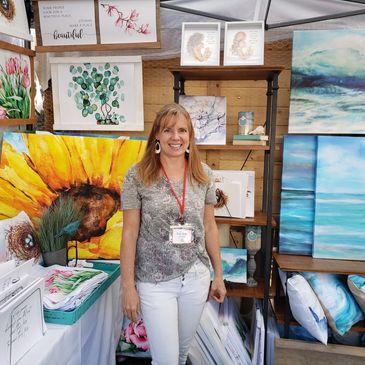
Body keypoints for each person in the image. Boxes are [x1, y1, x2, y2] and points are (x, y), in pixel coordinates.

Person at [120, 103, 226, 365]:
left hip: (195, 277)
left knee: (180, 354)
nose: (175, 137)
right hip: (155, 281)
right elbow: (129, 233)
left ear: (190, 136)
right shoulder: (137, 176)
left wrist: (219, 276)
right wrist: (128, 287)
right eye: (168, 130)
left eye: (182, 130)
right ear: (156, 134)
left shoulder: (204, 175)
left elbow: (210, 227)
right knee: (165, 360)